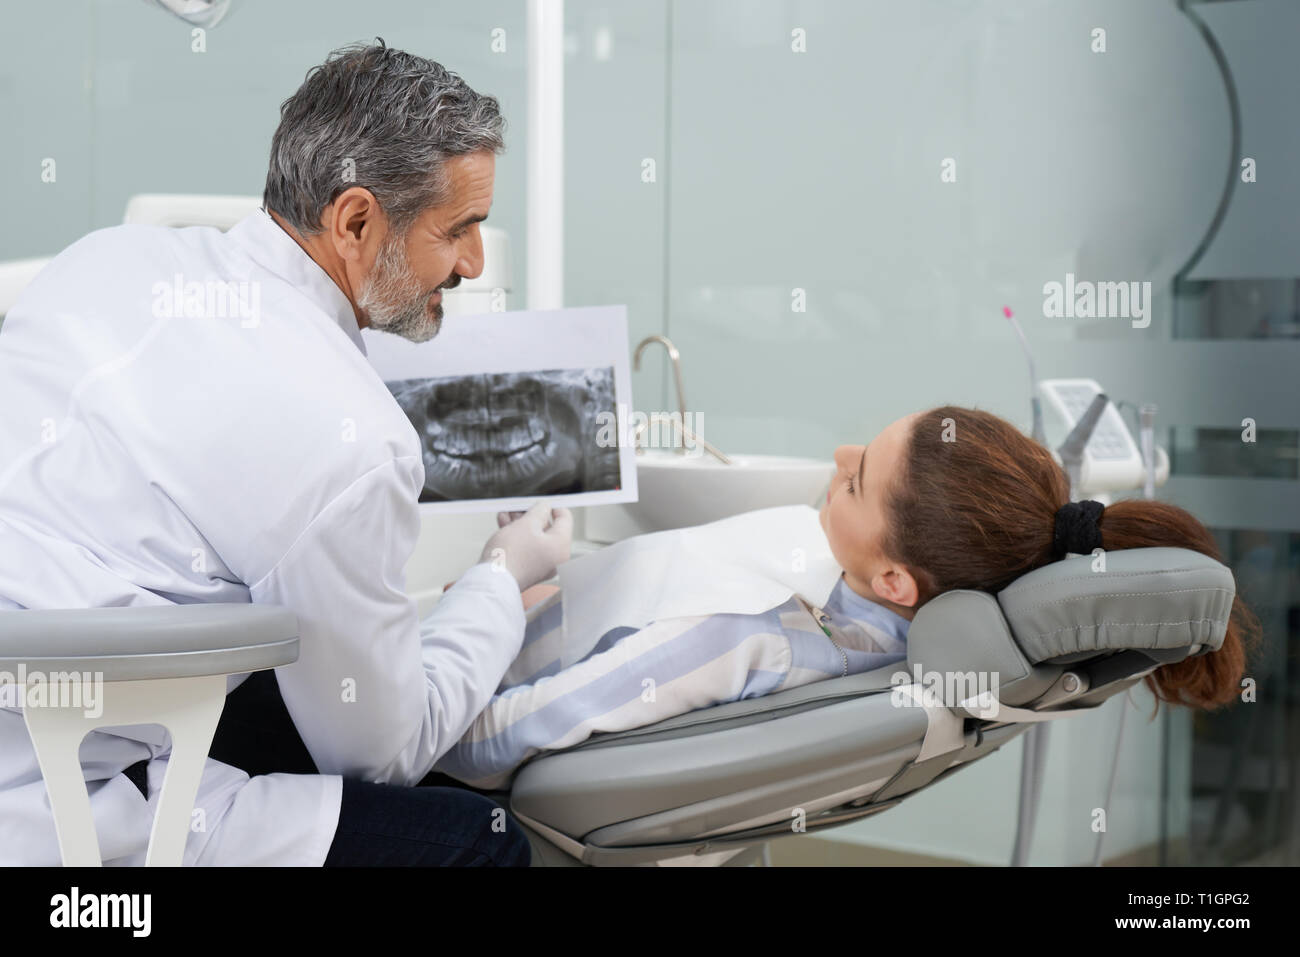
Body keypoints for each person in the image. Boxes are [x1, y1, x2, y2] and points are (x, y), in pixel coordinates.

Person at [0, 42, 563, 866]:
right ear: (356, 220)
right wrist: (499, 585)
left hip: (44, 700)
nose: (474, 263)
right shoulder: (351, 441)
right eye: (459, 229)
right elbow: (383, 755)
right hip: (65, 807)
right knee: (478, 839)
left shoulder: (102, 259)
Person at [433, 406, 1260, 789]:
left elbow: (490, 741)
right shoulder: (876, 625)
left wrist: (495, 585)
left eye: (857, 478)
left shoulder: (760, 621)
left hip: (439, 715)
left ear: (897, 582)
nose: (838, 452)